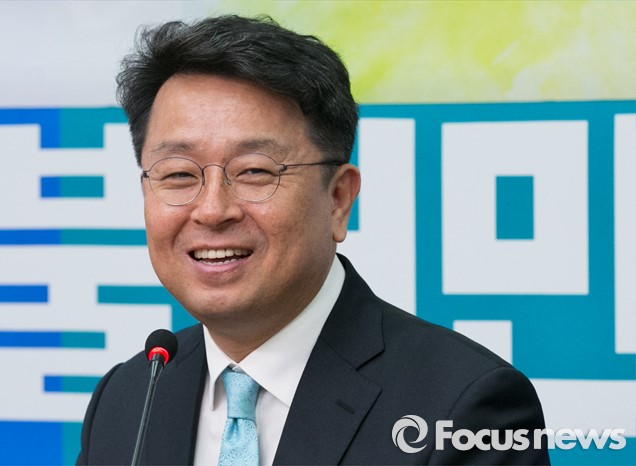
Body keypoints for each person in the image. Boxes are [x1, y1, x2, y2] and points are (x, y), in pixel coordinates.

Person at [77, 15, 549, 465]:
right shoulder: (127, 396)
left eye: (255, 171)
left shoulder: (465, 405)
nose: (212, 210)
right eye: (179, 174)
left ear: (338, 199)